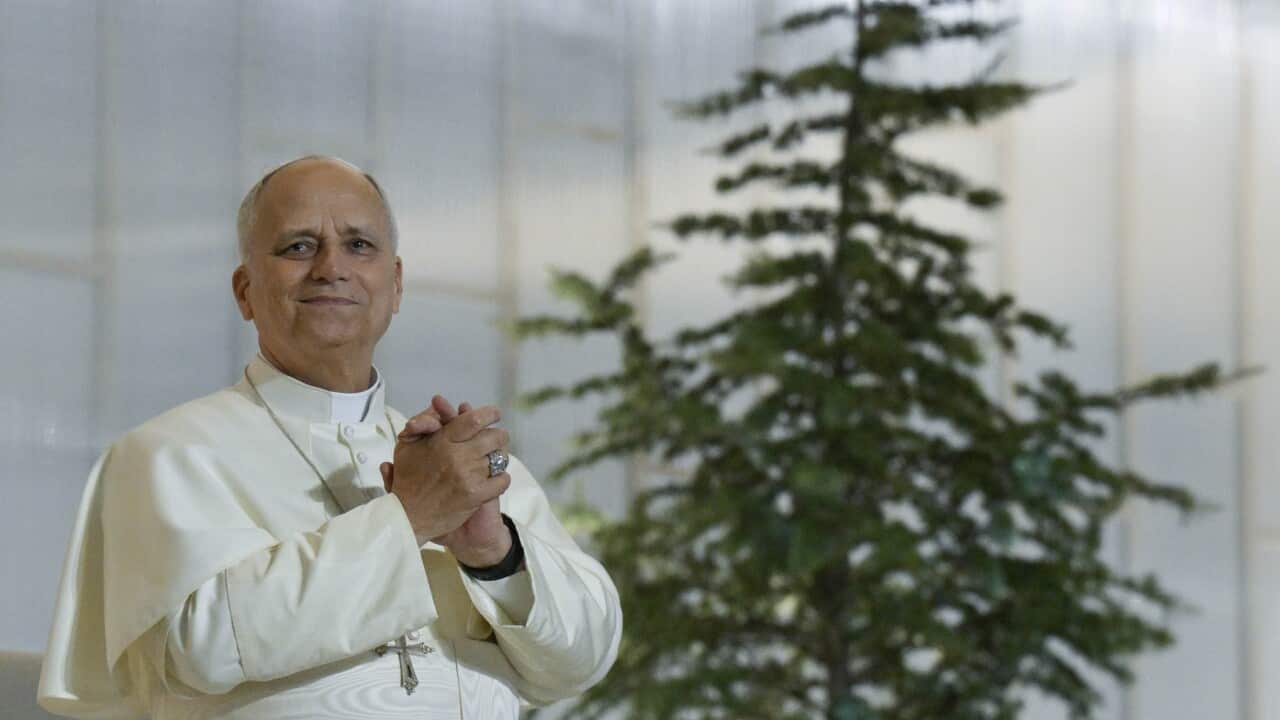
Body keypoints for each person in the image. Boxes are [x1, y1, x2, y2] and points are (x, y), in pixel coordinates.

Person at [37, 155, 622, 719]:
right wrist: (411, 518)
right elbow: (201, 645)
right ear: (244, 290)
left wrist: (495, 555)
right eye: (299, 246)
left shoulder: (462, 466)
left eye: (359, 245)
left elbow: (581, 662)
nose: (331, 267)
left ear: (396, 284)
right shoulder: (168, 454)